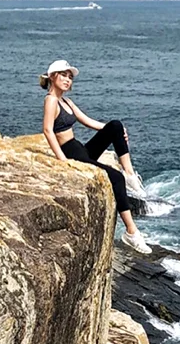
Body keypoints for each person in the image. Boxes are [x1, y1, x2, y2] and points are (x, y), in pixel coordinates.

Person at [40, 59, 152, 254]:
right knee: (115, 177)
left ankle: (130, 174)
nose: (67, 80)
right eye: (63, 75)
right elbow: (48, 130)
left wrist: (117, 131)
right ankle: (131, 233)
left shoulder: (66, 101)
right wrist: (62, 160)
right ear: (52, 76)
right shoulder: (51, 100)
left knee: (115, 125)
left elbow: (88, 121)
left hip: (80, 149)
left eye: (70, 77)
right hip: (71, 153)